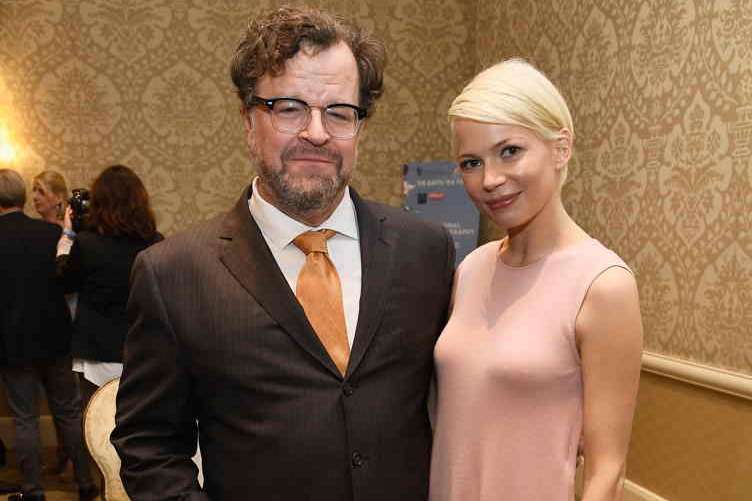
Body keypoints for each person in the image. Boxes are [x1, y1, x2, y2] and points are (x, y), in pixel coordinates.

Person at [111, 6, 455, 501]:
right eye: (290, 108)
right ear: (249, 121)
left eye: (339, 112)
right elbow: (149, 447)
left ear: (360, 126)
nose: (316, 132)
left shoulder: (425, 252)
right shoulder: (173, 275)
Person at [429, 59, 644, 501]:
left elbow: (607, 471)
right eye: (471, 162)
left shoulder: (602, 284)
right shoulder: (471, 269)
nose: (489, 180)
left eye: (510, 151)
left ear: (561, 148)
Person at [0, 168, 98, 501]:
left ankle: (32, 489)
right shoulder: (51, 234)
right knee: (69, 412)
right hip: (56, 337)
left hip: (13, 341)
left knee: (25, 418)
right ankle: (86, 482)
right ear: (21, 196)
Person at [57, 164, 161, 405]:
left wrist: (67, 238)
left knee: (96, 423)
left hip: (97, 351)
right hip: (143, 350)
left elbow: (65, 282)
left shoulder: (87, 243)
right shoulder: (155, 242)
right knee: (141, 420)